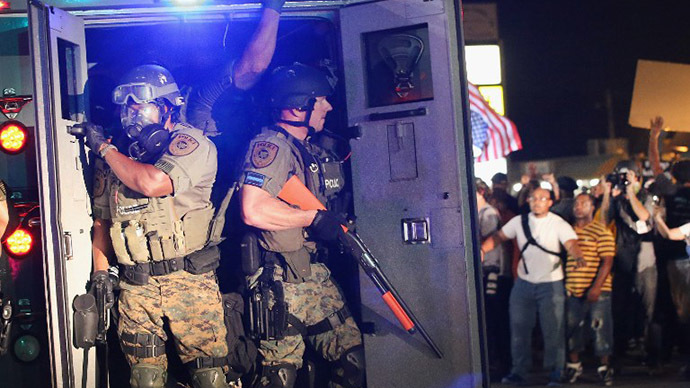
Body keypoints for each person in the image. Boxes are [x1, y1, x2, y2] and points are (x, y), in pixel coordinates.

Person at [84, 64, 235, 388]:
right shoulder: (114, 156)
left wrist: (105, 149)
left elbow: (154, 182)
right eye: (128, 108)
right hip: (136, 286)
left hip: (189, 282)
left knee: (210, 377)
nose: (133, 115)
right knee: (144, 380)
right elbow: (102, 221)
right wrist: (101, 274)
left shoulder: (191, 144)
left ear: (168, 108)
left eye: (143, 107)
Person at [238, 64, 363, 388]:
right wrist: (312, 218)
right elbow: (253, 209)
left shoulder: (308, 148)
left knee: (354, 362)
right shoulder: (271, 147)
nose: (329, 107)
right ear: (299, 105)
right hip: (279, 279)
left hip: (314, 274)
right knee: (278, 375)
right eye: (321, 100)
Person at [482, 187, 586, 386]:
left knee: (553, 330)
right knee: (519, 328)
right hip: (524, 283)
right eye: (534, 198)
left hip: (551, 283)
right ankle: (519, 371)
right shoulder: (519, 221)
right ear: (529, 200)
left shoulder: (558, 223)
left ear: (550, 202)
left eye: (542, 199)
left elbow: (571, 243)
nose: (538, 202)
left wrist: (578, 255)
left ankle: (556, 372)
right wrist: (482, 249)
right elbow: (499, 237)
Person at [599, 160, 659, 370]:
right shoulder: (618, 199)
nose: (624, 181)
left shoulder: (645, 196)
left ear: (638, 178)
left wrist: (631, 192)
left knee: (647, 306)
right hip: (622, 257)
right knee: (621, 305)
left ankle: (650, 352)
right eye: (621, 176)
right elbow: (603, 220)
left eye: (628, 177)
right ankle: (621, 349)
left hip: (645, 257)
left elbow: (644, 216)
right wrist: (607, 193)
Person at [564, 193, 615, 386]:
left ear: (592, 207)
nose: (578, 207)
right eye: (576, 203)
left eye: (583, 203)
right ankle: (574, 365)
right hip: (573, 289)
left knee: (600, 328)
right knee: (572, 329)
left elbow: (607, 261)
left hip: (597, 289)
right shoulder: (568, 231)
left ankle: (604, 368)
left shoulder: (600, 231)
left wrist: (596, 287)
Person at [476, 178, 512, 377]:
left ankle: (501, 365)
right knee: (491, 320)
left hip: (492, 270)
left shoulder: (488, 213)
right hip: (490, 269)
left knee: (495, 319)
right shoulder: (483, 212)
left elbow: (490, 244)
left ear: (480, 192)